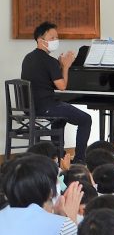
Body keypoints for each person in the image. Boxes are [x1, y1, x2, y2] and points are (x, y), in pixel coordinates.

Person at [20, 21, 92, 164]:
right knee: (85, 119)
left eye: (56, 38)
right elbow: (62, 86)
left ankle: (59, 155)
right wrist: (65, 66)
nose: (55, 41)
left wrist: (58, 64)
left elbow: (43, 76)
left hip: (31, 108)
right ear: (41, 40)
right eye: (52, 38)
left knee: (60, 116)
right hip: (46, 107)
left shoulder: (28, 58)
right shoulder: (49, 60)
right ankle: (79, 160)